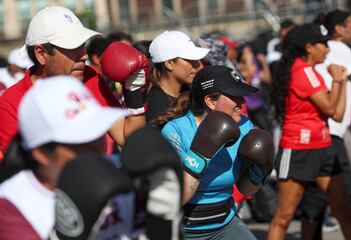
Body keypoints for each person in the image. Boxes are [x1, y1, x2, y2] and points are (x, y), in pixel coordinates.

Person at [0, 6, 147, 158]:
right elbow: (18, 169)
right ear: (41, 54)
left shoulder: (90, 77)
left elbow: (128, 139)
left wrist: (133, 90)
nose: (84, 55)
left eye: (82, 45)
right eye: (72, 46)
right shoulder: (11, 103)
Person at [0, 76, 128, 239]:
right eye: (81, 141)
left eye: (97, 133)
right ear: (42, 153)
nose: (97, 148)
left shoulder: (121, 174)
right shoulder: (13, 206)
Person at [268, 23, 351, 240]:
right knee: (284, 216)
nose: (328, 49)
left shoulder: (311, 72)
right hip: (299, 148)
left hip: (324, 146)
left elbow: (336, 114)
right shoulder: (302, 71)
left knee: (344, 210)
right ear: (310, 47)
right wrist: (338, 80)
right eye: (324, 44)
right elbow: (331, 109)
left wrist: (343, 82)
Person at [160, 65, 274, 239]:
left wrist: (260, 172)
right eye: (235, 97)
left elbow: (246, 190)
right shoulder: (176, 131)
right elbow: (174, 199)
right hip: (183, 229)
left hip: (225, 223)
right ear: (211, 101)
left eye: (241, 96)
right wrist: (202, 153)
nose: (242, 103)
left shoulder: (244, 125)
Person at [300, 9, 351, 239]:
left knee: (320, 193)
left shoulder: (331, 51)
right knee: (345, 190)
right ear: (338, 29)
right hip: (330, 131)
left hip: (327, 130)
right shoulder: (338, 48)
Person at [146, 30, 209, 124]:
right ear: (169, 63)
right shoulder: (154, 105)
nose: (198, 64)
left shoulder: (193, 94)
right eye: (189, 59)